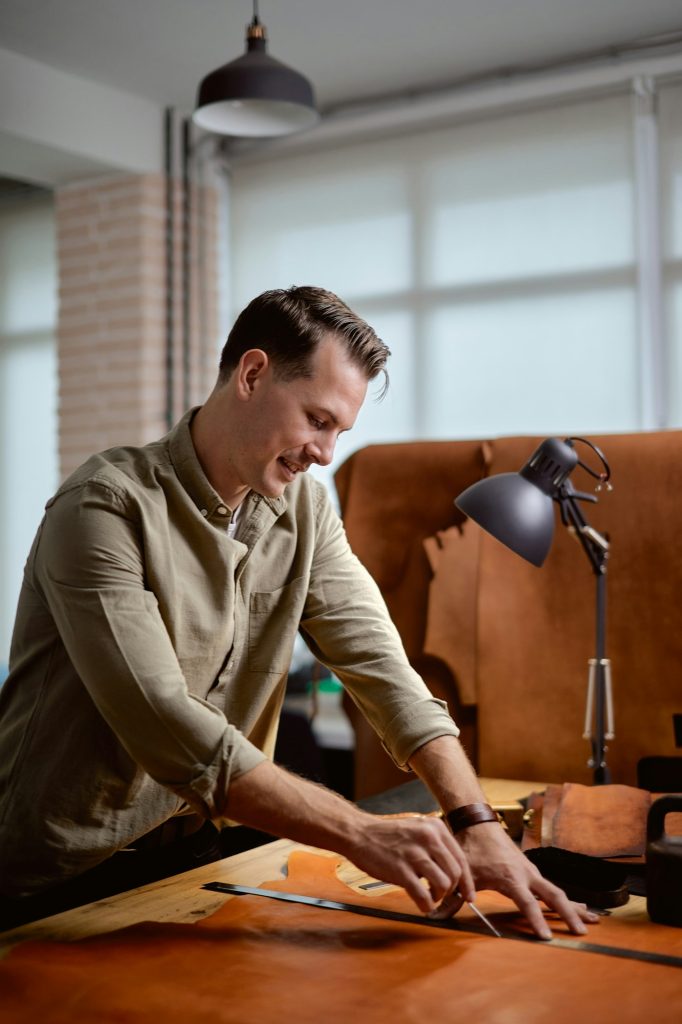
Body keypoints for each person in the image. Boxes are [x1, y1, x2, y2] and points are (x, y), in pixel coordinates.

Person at [0, 286, 597, 938]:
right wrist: (359, 834)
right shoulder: (102, 508)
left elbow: (387, 675)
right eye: (317, 420)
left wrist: (475, 822)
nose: (326, 453)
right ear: (252, 375)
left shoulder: (306, 514)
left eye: (340, 431)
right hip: (54, 883)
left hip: (194, 864)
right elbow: (172, 730)